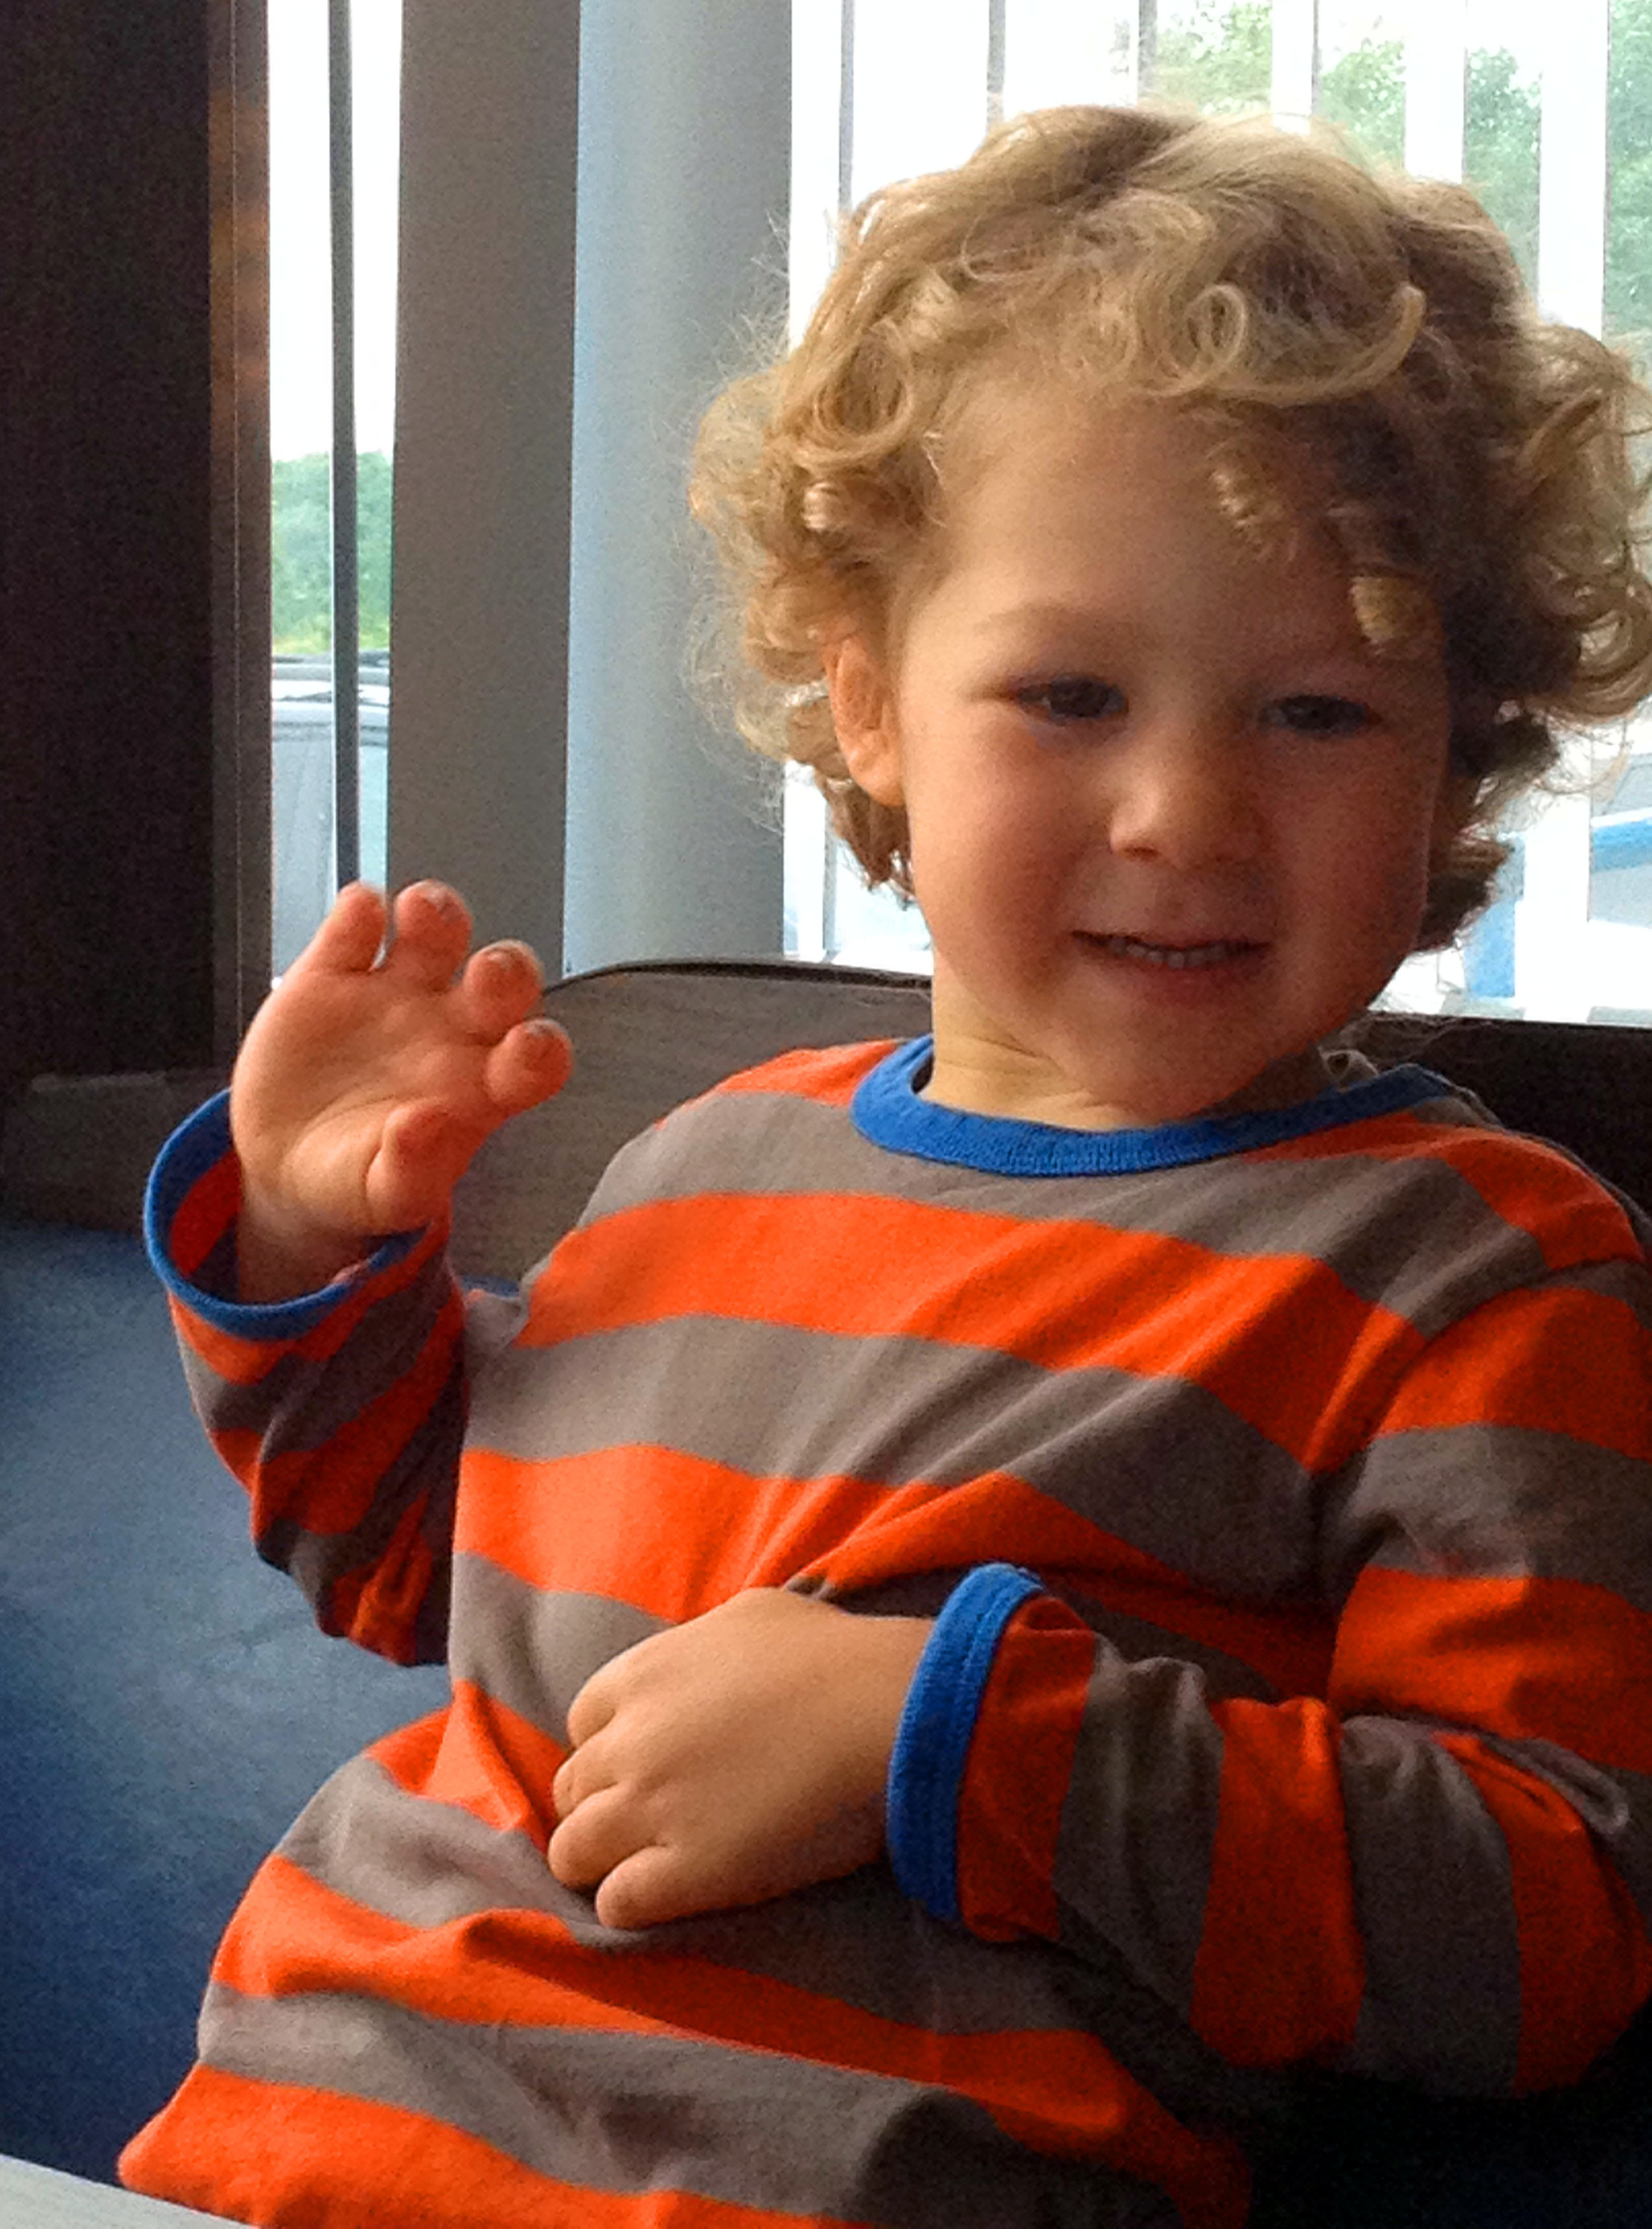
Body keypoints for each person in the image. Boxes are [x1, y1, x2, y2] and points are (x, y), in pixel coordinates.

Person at [123, 103, 1652, 2229]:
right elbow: (421, 1573)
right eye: (1071, 693)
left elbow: (1546, 1916)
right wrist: (306, 1241)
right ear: (869, 710)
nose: (1185, 813)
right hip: (260, 2157)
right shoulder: (698, 1161)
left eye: (1319, 713)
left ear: (1458, 758)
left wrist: (945, 1742)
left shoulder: (1475, 1273)